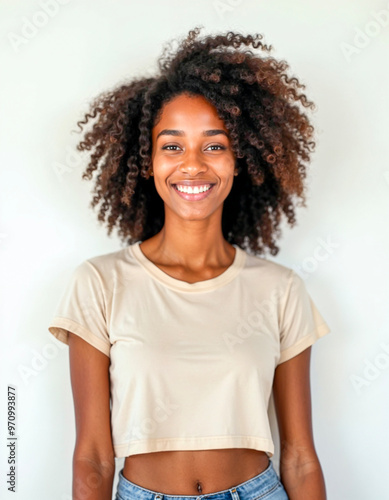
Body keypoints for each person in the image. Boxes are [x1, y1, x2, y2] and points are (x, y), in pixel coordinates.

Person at [48, 27, 331, 500]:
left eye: (214, 145)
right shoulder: (99, 283)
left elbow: (300, 456)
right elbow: (93, 458)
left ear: (238, 159)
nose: (193, 165)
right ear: (148, 160)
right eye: (173, 146)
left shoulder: (280, 290)